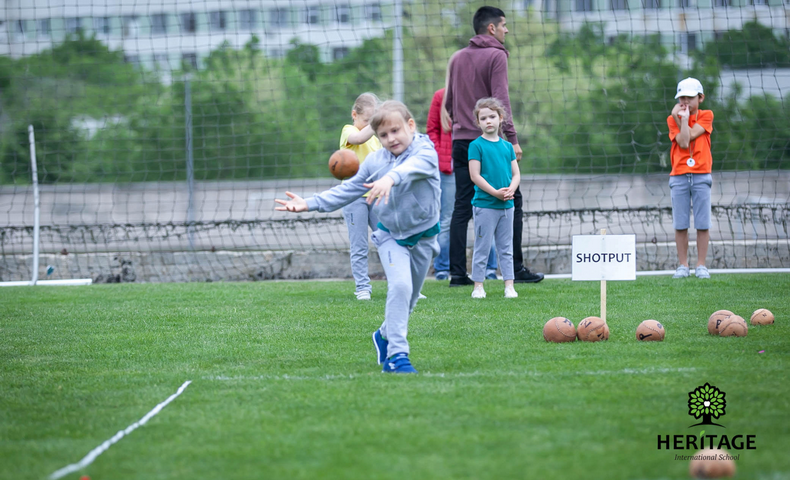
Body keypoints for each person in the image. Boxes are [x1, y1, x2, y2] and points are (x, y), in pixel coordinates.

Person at [275, 101, 440, 374]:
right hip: (390, 236)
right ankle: (398, 357)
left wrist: (391, 178)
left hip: (424, 237)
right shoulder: (376, 161)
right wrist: (310, 203)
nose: (390, 139)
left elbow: (415, 167)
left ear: (410, 126)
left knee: (408, 301)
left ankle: (384, 334)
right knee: (399, 287)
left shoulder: (425, 150)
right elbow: (349, 189)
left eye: (396, 131)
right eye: (383, 135)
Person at [445, 5, 544, 288]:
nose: (506, 30)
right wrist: (511, 139)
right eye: (503, 25)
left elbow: (449, 103)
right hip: (490, 144)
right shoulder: (497, 55)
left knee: (462, 206)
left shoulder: (457, 57)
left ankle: (456, 275)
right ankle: (514, 268)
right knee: (511, 197)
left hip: (461, 141)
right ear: (491, 28)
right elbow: (501, 102)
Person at [426, 88, 499, 281]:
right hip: (450, 166)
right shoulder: (441, 96)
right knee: (449, 216)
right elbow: (432, 129)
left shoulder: (481, 98)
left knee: (485, 214)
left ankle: (489, 268)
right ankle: (443, 267)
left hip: (482, 164)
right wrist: (442, 155)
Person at [468, 98, 520, 299]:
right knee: (482, 247)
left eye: (492, 117)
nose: (488, 121)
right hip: (485, 205)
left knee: (506, 248)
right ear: (478, 122)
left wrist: (510, 190)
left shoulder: (507, 147)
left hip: (507, 206)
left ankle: (509, 285)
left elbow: (516, 174)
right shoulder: (476, 146)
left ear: (500, 118)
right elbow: (475, 176)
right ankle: (478, 286)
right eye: (483, 118)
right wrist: (495, 193)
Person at [667, 77, 714, 279]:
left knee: (702, 222)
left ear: (700, 98)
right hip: (679, 176)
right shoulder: (672, 120)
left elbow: (688, 138)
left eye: (690, 97)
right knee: (681, 223)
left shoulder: (706, 116)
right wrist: (681, 120)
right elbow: (683, 141)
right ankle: (683, 265)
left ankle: (701, 265)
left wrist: (683, 119)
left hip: (701, 174)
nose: (685, 101)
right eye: (682, 97)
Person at [339, 93, 382, 300]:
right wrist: (376, 123)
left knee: (388, 240)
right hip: (354, 197)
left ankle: (404, 286)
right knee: (359, 245)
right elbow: (359, 137)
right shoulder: (349, 131)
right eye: (367, 120)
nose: (369, 126)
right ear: (354, 114)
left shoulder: (376, 141)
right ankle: (362, 287)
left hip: (376, 195)